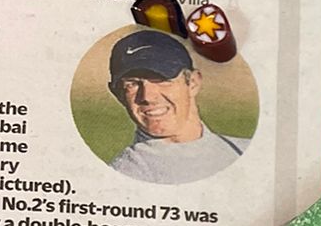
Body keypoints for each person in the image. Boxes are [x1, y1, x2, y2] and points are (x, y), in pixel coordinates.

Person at [105, 29, 248, 185]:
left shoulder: (244, 149)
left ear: (193, 83)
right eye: (132, 84)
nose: (147, 97)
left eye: (161, 79)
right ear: (118, 94)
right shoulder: (127, 174)